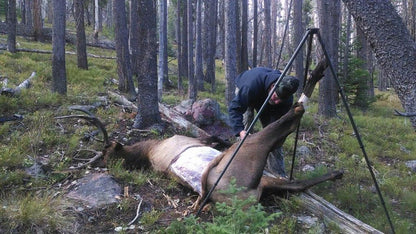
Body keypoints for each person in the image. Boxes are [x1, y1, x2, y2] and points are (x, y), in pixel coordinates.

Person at [228, 67, 300, 178]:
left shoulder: (286, 100)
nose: (276, 102)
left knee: (273, 135)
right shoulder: (250, 86)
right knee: (246, 122)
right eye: (276, 97)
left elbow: (278, 125)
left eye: (279, 100)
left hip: (265, 97)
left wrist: (273, 137)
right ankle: (242, 164)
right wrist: (240, 131)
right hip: (248, 90)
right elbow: (235, 109)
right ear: (272, 86)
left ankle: (279, 175)